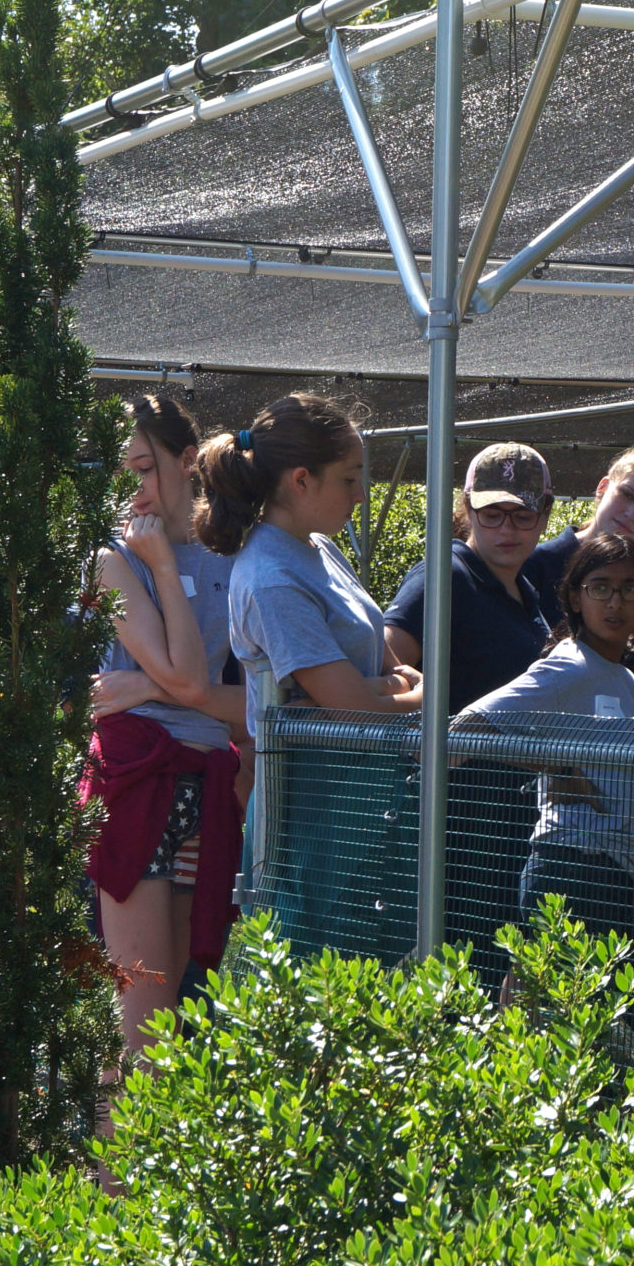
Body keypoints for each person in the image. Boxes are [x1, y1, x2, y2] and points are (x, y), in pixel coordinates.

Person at [452, 532, 634, 1079]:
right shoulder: (570, 666)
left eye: (630, 589)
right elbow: (466, 730)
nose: (615, 603)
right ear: (575, 598)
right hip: (571, 871)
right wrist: (555, 766)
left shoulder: (625, 680)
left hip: (611, 877)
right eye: (601, 588)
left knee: (550, 1036)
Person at [213, 397, 422, 947]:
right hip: (310, 819)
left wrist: (381, 692)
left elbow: (378, 678)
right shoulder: (272, 577)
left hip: (367, 804)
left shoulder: (322, 549)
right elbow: (356, 707)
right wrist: (392, 695)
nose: (360, 495)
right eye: (350, 479)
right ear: (302, 480)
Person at [84, 395, 247, 1068]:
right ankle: (109, 1178)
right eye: (123, 471)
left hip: (207, 788)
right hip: (139, 789)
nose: (135, 489)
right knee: (138, 1032)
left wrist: (149, 688)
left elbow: (256, 703)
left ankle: (139, 1176)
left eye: (145, 468)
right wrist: (157, 569)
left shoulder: (236, 556)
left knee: (173, 1024)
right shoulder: (112, 556)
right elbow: (190, 676)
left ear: (189, 461)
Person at [384, 443, 555, 985]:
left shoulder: (527, 593)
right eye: (492, 513)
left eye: (523, 514)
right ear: (466, 508)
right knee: (456, 977)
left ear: (545, 514)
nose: (508, 528)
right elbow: (385, 658)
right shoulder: (445, 574)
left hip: (508, 826)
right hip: (451, 828)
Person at [523, 448, 634, 666]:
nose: (632, 513)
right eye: (627, 495)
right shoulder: (533, 565)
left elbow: (633, 682)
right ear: (603, 488)